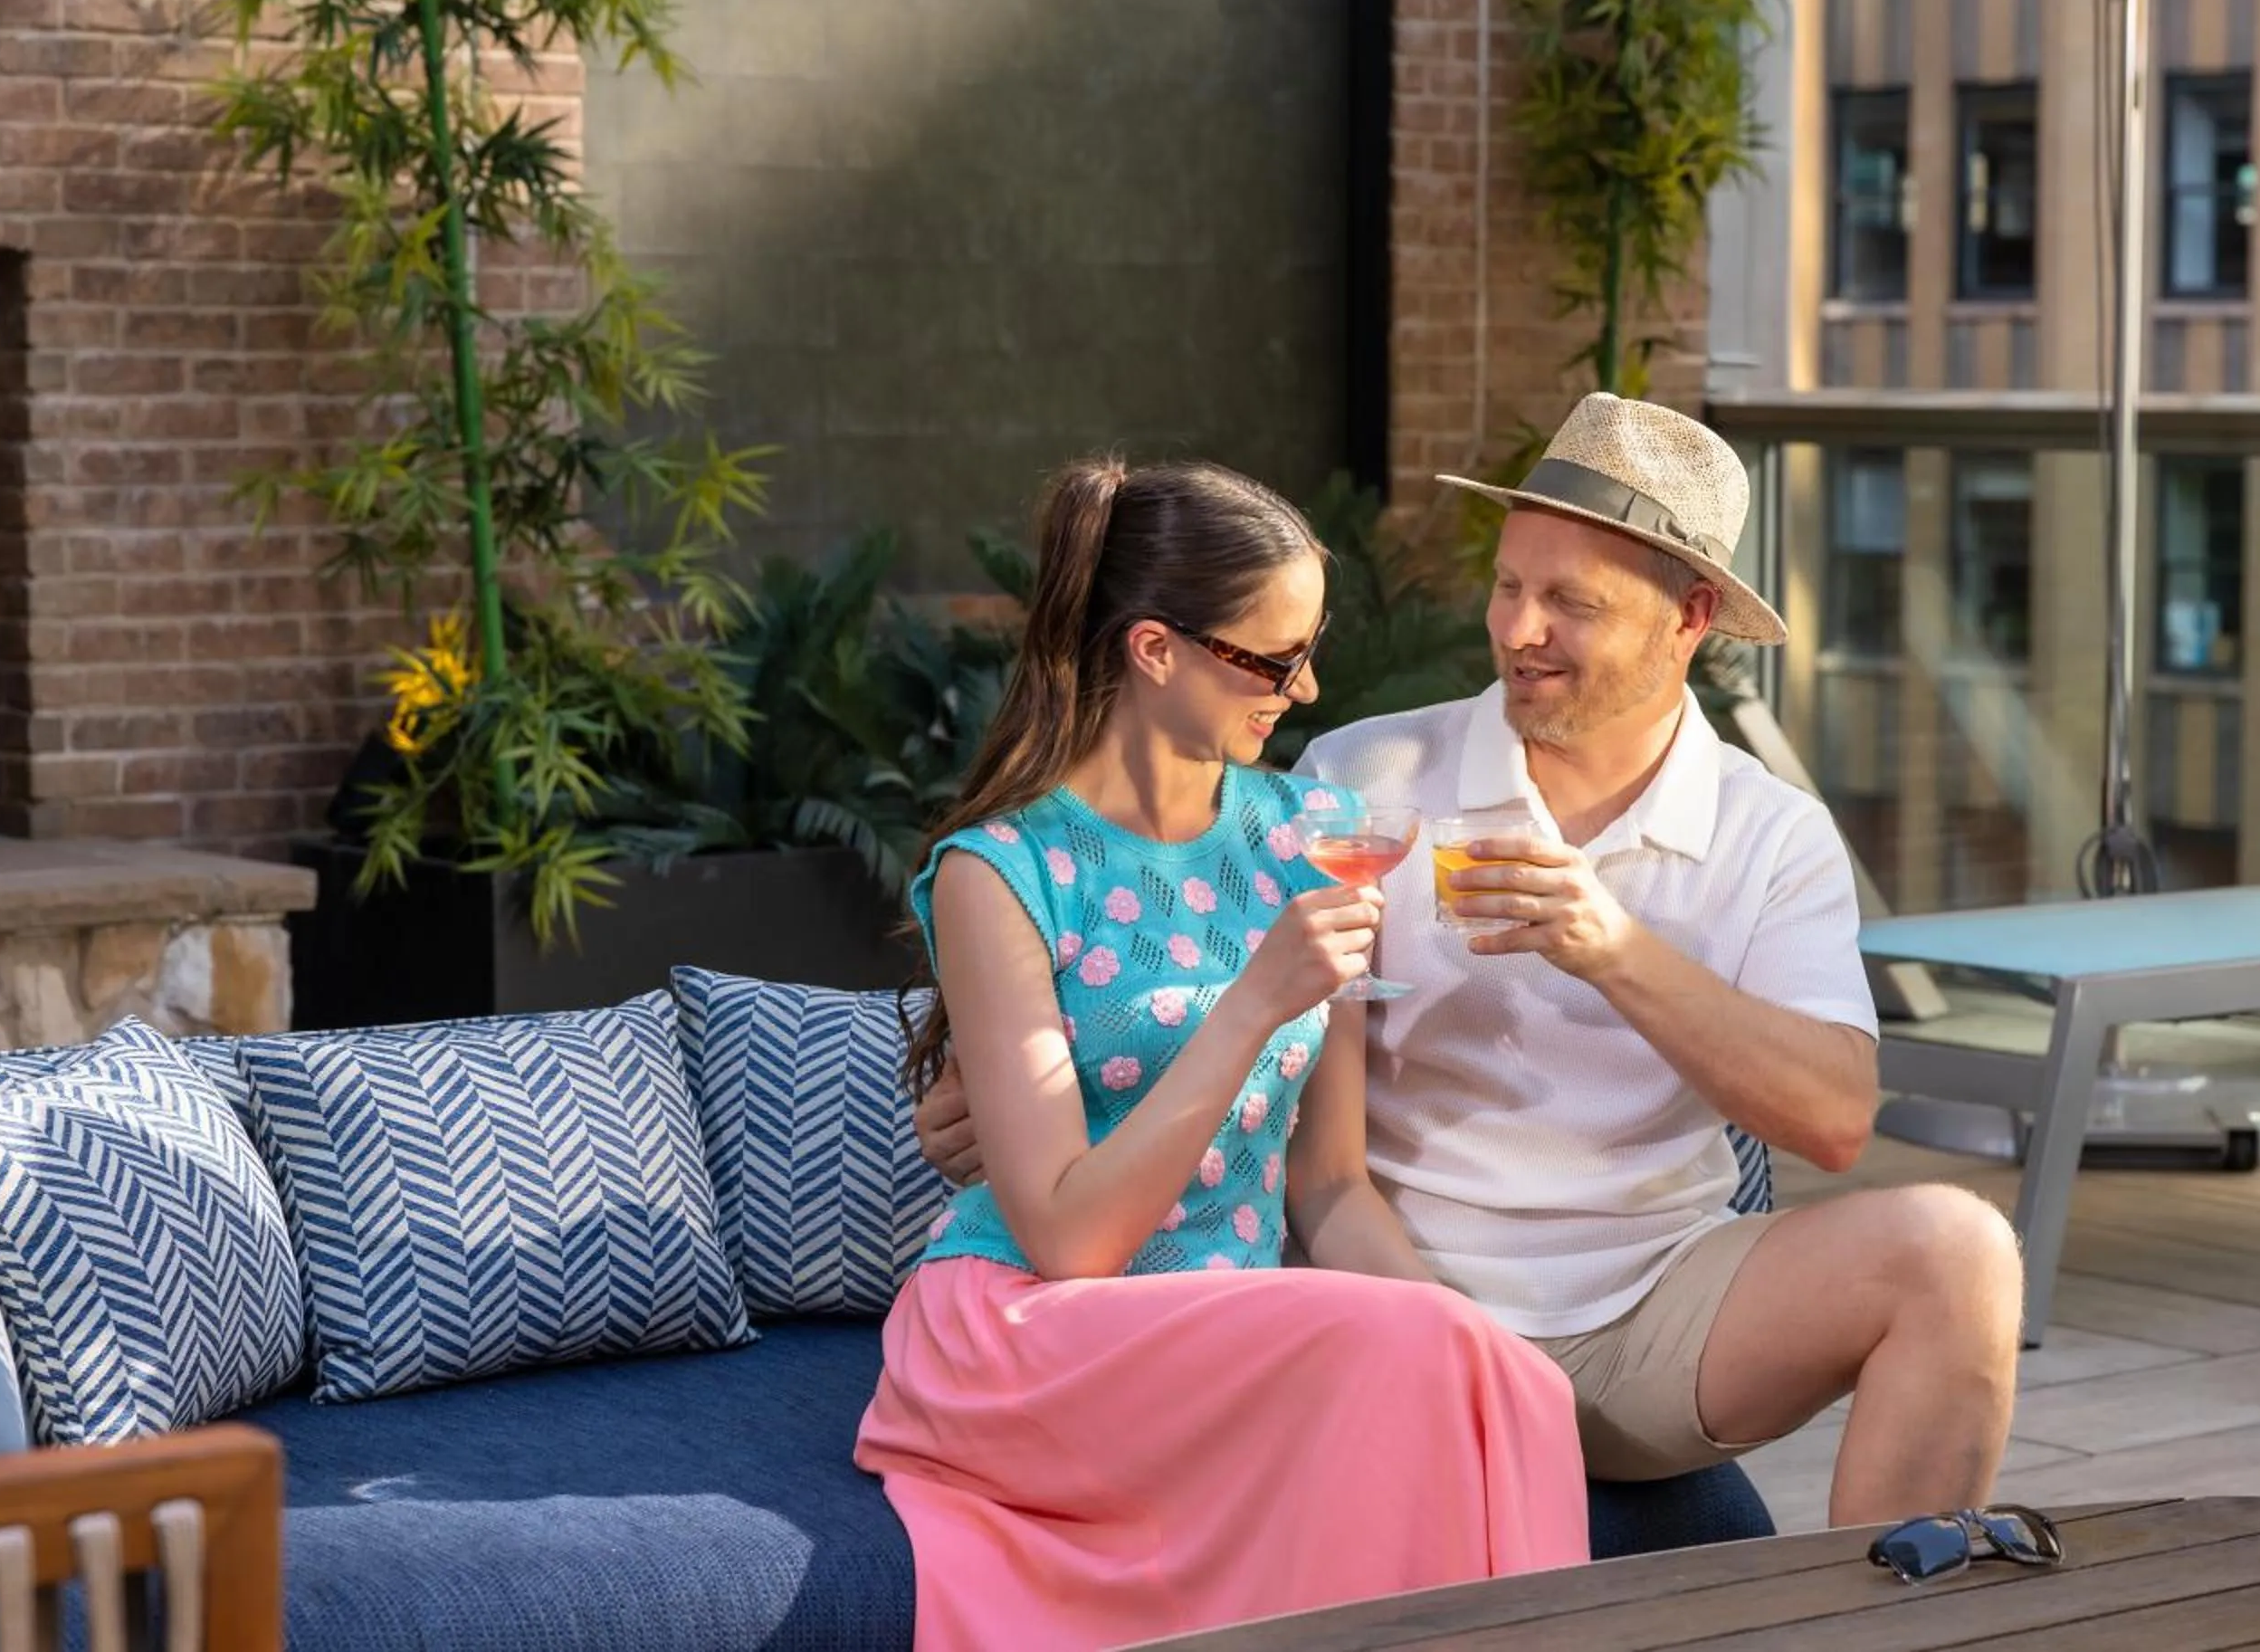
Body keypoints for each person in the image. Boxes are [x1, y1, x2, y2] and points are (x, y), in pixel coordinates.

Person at [920, 396, 2023, 1530]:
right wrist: (1010, 1095)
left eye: (1571, 603)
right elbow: (1162, 935)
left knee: (1961, 1252)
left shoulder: (1770, 834)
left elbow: (1837, 1118)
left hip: (1656, 1317)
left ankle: (1895, 1618)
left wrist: (1615, 950)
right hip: (1390, 1299)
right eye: (1509, 586)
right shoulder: (1366, 779)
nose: (1518, 630)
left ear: (1690, 617)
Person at [854, 456, 1588, 1652]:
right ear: (1155, 650)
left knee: (1501, 1378)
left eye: (1310, 649)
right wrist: (1251, 1004)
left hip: (1226, 1325)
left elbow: (1332, 1188)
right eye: (1272, 656)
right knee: (1424, 1353)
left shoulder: (1317, 838)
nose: (1306, 688)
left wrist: (1481, 1354)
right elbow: (1067, 1240)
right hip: (1033, 1333)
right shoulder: (1005, 874)